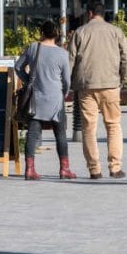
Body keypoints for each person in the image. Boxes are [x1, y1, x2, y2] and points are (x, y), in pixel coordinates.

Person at [68, 2, 127, 179]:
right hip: (110, 85)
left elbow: (70, 61)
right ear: (104, 14)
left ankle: (94, 169)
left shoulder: (80, 32)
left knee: (89, 128)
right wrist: (122, 79)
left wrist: (68, 84)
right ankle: (115, 167)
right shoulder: (115, 32)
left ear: (89, 13)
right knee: (113, 125)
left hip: (86, 86)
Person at [14, 20, 75, 181]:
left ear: (42, 33)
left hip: (37, 99)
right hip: (56, 100)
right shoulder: (62, 54)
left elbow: (18, 67)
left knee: (32, 133)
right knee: (60, 134)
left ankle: (30, 169)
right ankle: (64, 169)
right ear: (56, 35)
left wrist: (28, 81)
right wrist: (64, 93)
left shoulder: (34, 48)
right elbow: (67, 80)